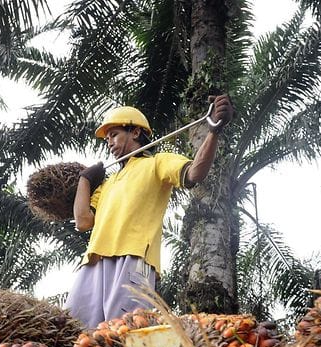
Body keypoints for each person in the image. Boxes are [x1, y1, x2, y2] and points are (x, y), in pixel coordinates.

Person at [66, 95, 235, 328]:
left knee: (125, 336)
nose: (110, 143)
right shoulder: (107, 183)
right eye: (107, 140)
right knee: (76, 333)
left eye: (114, 134)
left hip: (134, 260)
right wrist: (84, 181)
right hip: (93, 262)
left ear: (135, 133)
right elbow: (83, 221)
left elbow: (195, 174)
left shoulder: (157, 163)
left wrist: (214, 131)